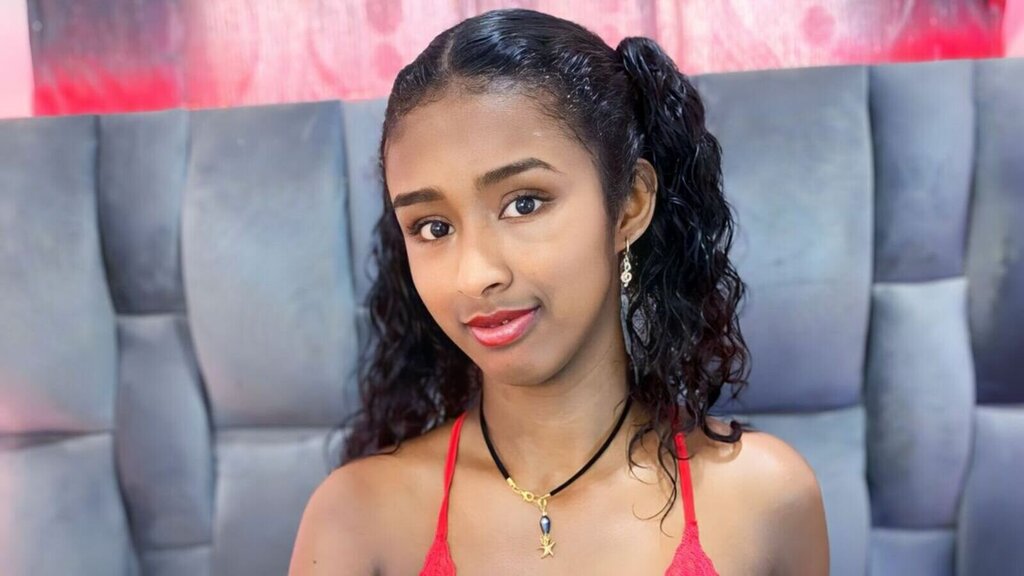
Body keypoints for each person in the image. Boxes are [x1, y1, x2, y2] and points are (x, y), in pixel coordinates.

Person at [289, 8, 828, 575]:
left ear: (629, 205)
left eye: (524, 204)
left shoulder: (766, 499)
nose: (474, 275)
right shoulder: (355, 520)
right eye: (433, 227)